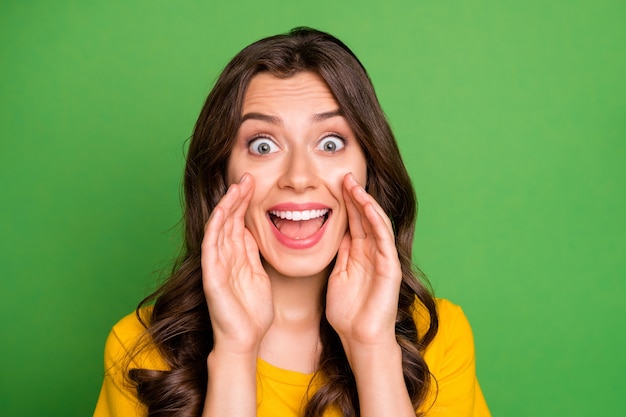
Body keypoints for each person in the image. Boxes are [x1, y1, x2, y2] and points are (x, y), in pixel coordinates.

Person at [93, 27, 490, 417]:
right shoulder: (139, 348)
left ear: (370, 166)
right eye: (263, 145)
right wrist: (234, 351)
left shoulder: (440, 337)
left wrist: (371, 348)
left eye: (330, 143)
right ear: (223, 175)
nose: (298, 177)